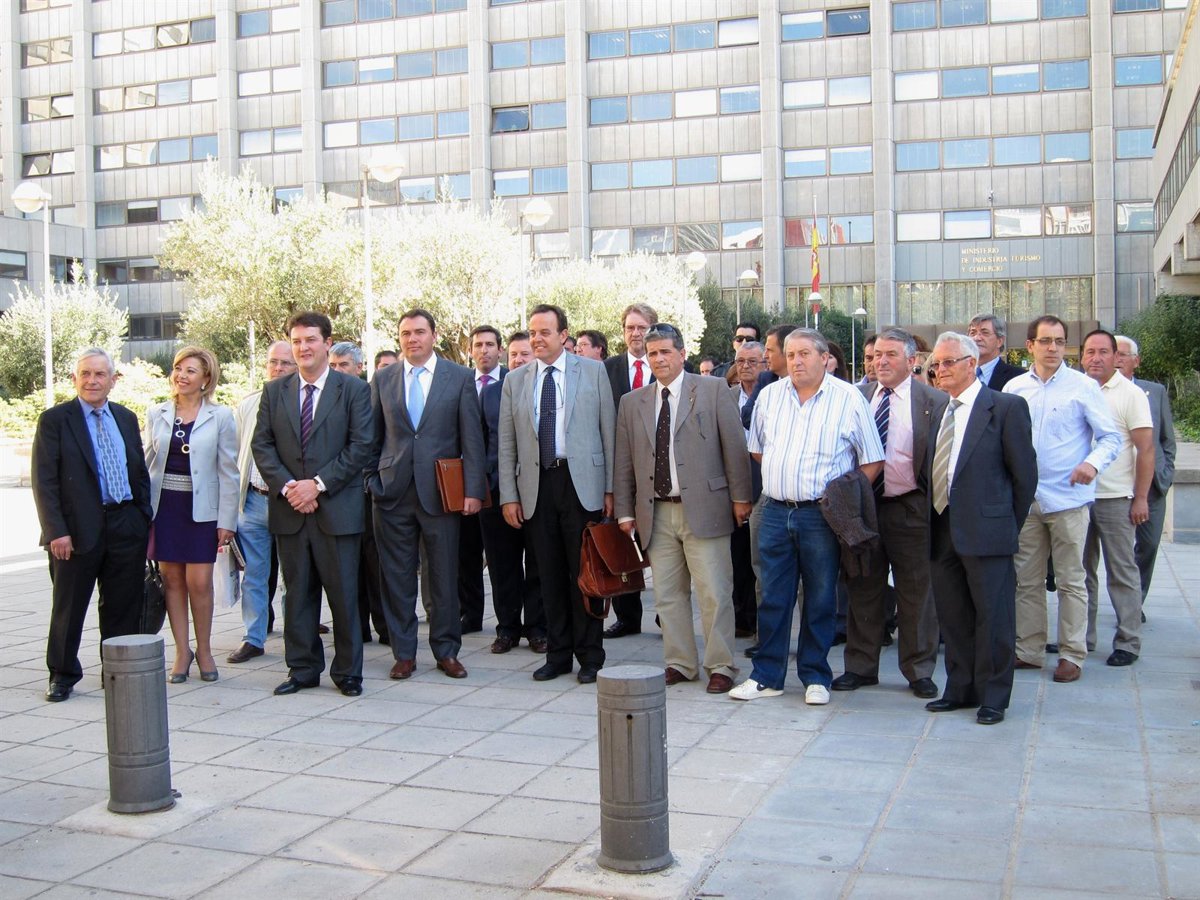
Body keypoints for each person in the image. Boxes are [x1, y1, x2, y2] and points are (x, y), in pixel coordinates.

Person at [731, 329, 884, 704]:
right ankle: (767, 676)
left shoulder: (848, 398)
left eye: (804, 354)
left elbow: (872, 459)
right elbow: (758, 450)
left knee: (820, 597)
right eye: (790, 354)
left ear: (824, 358)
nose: (796, 361)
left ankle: (816, 675)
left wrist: (840, 499)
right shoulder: (770, 396)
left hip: (821, 516)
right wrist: (786, 477)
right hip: (775, 510)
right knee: (773, 596)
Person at [613, 324, 752, 694]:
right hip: (655, 512)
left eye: (665, 352)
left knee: (714, 592)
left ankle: (721, 665)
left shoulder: (713, 389)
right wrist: (625, 511)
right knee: (667, 595)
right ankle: (680, 663)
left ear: (682, 353)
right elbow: (624, 462)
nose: (659, 359)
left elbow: (735, 448)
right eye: (652, 353)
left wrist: (741, 498)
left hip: (706, 508)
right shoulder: (633, 402)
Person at [253, 311, 376, 697]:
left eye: (310, 340)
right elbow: (262, 445)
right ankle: (302, 669)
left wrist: (318, 486)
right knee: (297, 595)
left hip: (337, 510)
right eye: (297, 341)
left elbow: (361, 445)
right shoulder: (274, 391)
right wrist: (291, 487)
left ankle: (348, 672)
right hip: (290, 509)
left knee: (343, 596)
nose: (303, 347)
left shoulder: (353, 390)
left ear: (327, 343)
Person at [923, 333, 1037, 724]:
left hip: (988, 532)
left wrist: (1005, 524)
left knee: (994, 618)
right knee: (953, 616)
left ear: (971, 364)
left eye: (948, 362)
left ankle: (993, 696)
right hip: (942, 528)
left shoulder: (1005, 407)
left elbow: (1025, 477)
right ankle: (960, 688)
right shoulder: (940, 409)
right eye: (936, 364)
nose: (940, 370)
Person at [500, 303, 615, 683]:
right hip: (537, 487)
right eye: (532, 332)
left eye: (544, 332)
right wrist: (509, 495)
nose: (536, 339)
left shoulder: (593, 371)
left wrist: (611, 489)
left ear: (564, 335)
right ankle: (558, 654)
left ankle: (591, 655)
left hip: (582, 485)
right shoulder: (516, 380)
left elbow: (609, 432)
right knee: (547, 575)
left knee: (585, 575)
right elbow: (507, 443)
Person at [1004, 315, 1121, 683]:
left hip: (1069, 500)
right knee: (1026, 580)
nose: (1053, 348)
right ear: (1030, 346)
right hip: (1027, 500)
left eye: (1059, 341)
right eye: (1045, 341)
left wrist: (1091, 463)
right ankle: (1029, 650)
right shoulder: (1015, 388)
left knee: (1072, 580)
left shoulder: (1083, 386)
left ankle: (1072, 654)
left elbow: (1111, 438)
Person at [369, 309, 485, 680]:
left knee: (444, 577)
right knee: (397, 577)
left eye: (419, 332)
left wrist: (473, 490)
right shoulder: (383, 378)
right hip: (392, 493)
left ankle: (446, 651)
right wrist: (372, 481)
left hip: (441, 493)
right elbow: (372, 436)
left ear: (433, 336)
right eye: (405, 333)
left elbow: (472, 438)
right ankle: (403, 653)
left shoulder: (459, 377)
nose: (412, 339)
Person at [34, 349, 153, 703]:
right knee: (69, 606)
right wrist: (56, 531)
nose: (92, 381)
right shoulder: (55, 420)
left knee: (123, 606)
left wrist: (142, 516)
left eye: (100, 374)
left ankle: (118, 672)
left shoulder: (126, 418)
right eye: (85, 374)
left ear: (113, 380)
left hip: (125, 524)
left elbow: (138, 470)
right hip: (75, 530)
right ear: (74, 379)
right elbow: (44, 481)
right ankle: (62, 674)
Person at [833, 328, 946, 700]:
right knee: (863, 588)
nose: (880, 361)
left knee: (916, 592)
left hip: (910, 507)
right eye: (876, 355)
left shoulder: (934, 401)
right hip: (863, 509)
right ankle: (860, 667)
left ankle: (919, 670)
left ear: (911, 361)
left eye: (890, 355)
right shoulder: (856, 396)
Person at [145, 346, 239, 683]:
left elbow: (229, 470)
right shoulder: (156, 413)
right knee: (171, 580)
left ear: (206, 378)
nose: (181, 375)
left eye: (190, 370)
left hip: (202, 511)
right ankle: (182, 652)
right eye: (178, 368)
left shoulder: (221, 416)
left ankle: (205, 650)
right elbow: (146, 462)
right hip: (165, 508)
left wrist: (227, 520)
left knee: (199, 582)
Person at [1080, 330, 1154, 666]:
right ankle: (1081, 638)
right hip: (1077, 498)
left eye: (1103, 352)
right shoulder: (1076, 388)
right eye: (1090, 351)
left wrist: (1141, 498)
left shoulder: (1131, 394)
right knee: (1080, 573)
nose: (1096, 358)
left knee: (1121, 571)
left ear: (1115, 356)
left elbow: (1146, 450)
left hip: (1116, 497)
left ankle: (1128, 641)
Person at [228, 340, 296, 664]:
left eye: (285, 363)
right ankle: (253, 637)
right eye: (273, 362)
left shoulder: (303, 402)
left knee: (291, 575)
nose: (278, 369)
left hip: (289, 503)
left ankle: (296, 636)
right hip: (254, 501)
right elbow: (234, 455)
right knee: (254, 575)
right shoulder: (248, 404)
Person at [480, 331, 546, 654]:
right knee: (502, 565)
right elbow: (481, 441)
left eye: (525, 354)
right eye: (514, 355)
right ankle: (507, 628)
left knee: (538, 563)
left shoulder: (545, 388)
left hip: (537, 491)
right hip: (496, 491)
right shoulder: (491, 393)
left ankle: (537, 628)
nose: (519, 360)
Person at [603, 303, 658, 639]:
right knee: (623, 545)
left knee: (663, 545)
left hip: (660, 472)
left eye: (642, 328)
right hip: (620, 471)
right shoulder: (607, 369)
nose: (635, 334)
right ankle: (627, 617)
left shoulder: (669, 364)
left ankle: (667, 615)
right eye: (630, 328)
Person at [1115, 335, 1176, 608]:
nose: (1116, 359)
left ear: (1136, 361)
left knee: (1148, 545)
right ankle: (1122, 605)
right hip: (1114, 484)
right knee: (1113, 552)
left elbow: (1167, 440)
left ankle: (1135, 603)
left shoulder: (1154, 392)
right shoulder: (1093, 390)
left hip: (1151, 485)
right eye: (1113, 353)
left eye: (1122, 354)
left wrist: (1165, 474)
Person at [459, 325, 506, 634]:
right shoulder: (460, 383)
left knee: (502, 558)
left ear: (500, 350)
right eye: (478, 345)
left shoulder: (511, 382)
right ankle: (470, 615)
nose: (484, 350)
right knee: (466, 553)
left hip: (500, 485)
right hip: (464, 483)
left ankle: (509, 622)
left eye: (490, 344)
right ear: (470, 350)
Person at [729, 340, 765, 636]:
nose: (745, 367)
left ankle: (760, 623)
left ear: (765, 365)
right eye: (740, 361)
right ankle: (741, 618)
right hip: (731, 487)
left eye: (752, 361)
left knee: (760, 562)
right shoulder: (725, 396)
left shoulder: (772, 395)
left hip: (765, 486)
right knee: (736, 558)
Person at [968, 314, 1023, 390]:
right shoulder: (958, 374)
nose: (977, 338)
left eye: (985, 333)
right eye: (973, 333)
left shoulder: (1018, 378)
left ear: (999, 341)